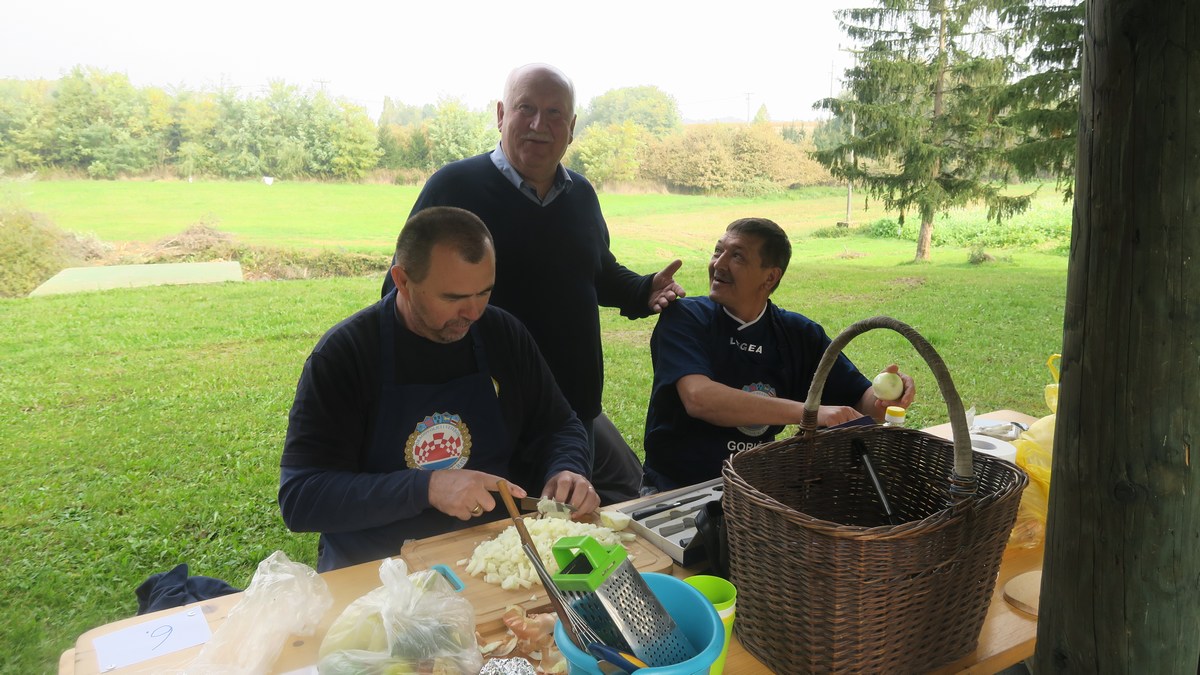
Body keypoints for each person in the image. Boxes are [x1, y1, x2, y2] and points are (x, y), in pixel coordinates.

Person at [382, 63, 684, 503]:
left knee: (565, 524)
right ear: (501, 114)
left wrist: (643, 289)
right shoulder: (455, 185)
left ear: (573, 126)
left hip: (572, 402)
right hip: (485, 407)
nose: (540, 125)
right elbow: (404, 292)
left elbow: (596, 271)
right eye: (526, 108)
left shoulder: (580, 194)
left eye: (555, 113)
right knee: (493, 531)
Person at [282, 206, 599, 572]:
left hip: (492, 555)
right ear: (402, 280)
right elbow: (302, 498)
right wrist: (427, 487)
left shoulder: (502, 334)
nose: (474, 312)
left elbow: (558, 425)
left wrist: (566, 469)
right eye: (452, 298)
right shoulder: (346, 354)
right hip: (381, 568)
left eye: (485, 292)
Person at [642, 217, 916, 491]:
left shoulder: (799, 333)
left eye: (736, 256)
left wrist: (885, 398)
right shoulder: (684, 317)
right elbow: (700, 398)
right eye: (718, 250)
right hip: (675, 489)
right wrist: (810, 412)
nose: (718, 264)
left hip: (755, 490)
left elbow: (860, 401)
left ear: (770, 276)